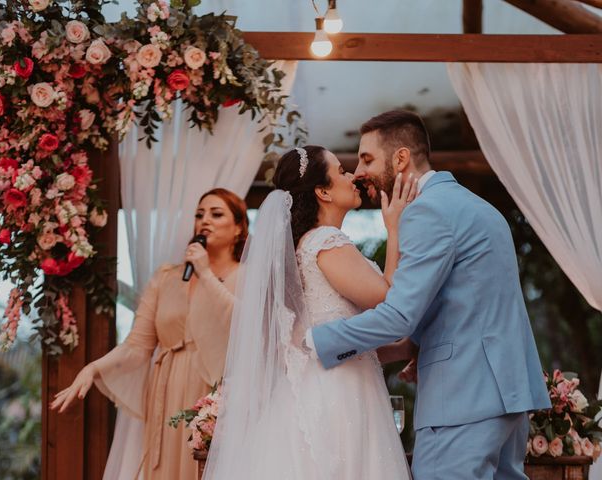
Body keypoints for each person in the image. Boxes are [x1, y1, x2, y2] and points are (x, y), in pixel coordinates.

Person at [308, 110, 551, 479]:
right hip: (508, 400)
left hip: (461, 403)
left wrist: (316, 342)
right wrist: (418, 346)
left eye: (367, 158)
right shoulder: (480, 209)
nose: (358, 172)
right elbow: (468, 304)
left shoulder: (427, 213)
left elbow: (398, 316)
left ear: (401, 158)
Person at [203, 146, 415, 480]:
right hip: (338, 397)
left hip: (332, 384)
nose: (351, 177)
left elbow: (332, 340)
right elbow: (389, 298)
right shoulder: (326, 241)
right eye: (341, 171)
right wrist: (395, 227)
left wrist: (406, 348)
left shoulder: (307, 247)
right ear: (323, 191)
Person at [50, 188, 248, 480]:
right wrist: (93, 369)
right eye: (199, 214)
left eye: (216, 214)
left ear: (239, 228)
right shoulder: (167, 277)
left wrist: (205, 274)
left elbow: (246, 326)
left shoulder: (248, 276)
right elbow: (137, 346)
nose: (204, 221)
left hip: (215, 395)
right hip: (166, 393)